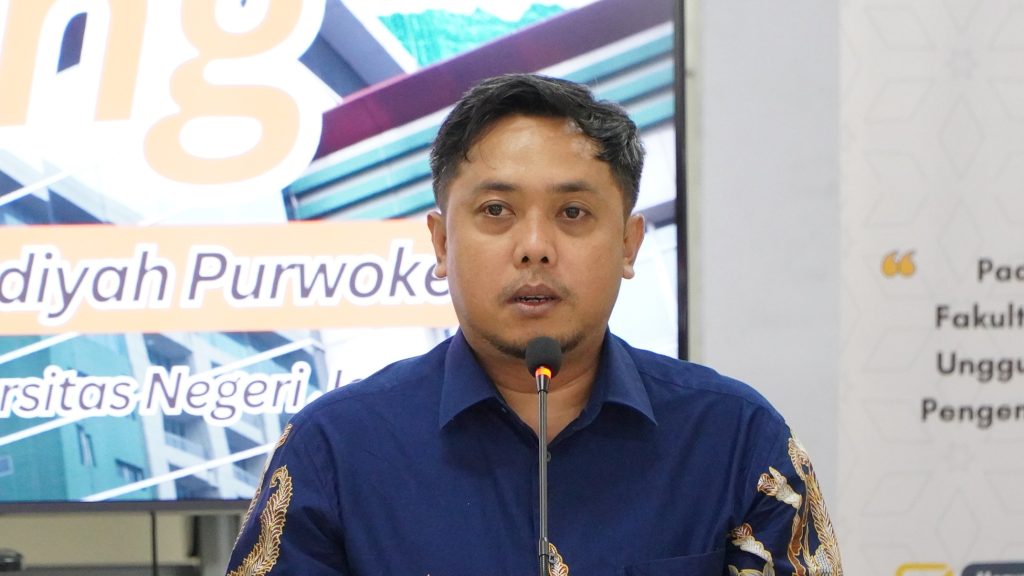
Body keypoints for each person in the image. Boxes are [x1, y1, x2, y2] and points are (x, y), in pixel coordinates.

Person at [225, 73, 843, 575]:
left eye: (573, 213)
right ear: (441, 243)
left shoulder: (733, 438)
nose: (535, 248)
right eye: (497, 210)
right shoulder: (335, 449)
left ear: (629, 244)